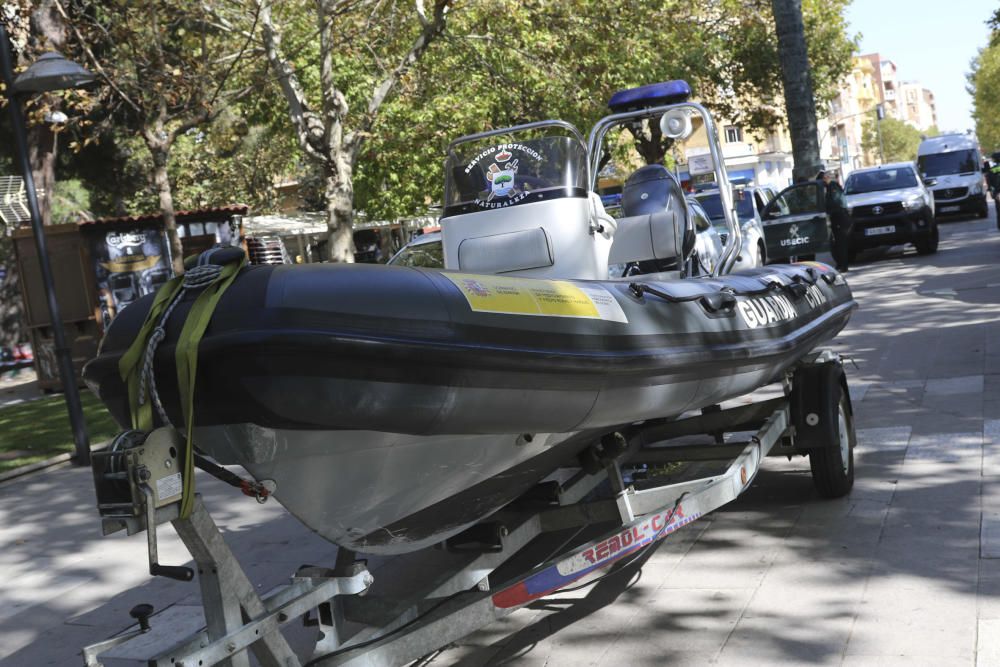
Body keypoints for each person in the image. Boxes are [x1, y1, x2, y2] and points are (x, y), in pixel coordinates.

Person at [818, 169, 851, 272]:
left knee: (841, 242)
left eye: (822, 181)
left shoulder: (833, 187)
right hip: (837, 217)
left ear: (825, 178)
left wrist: (825, 208)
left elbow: (835, 203)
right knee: (837, 243)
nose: (822, 184)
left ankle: (844, 265)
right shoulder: (829, 187)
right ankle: (840, 263)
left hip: (840, 217)